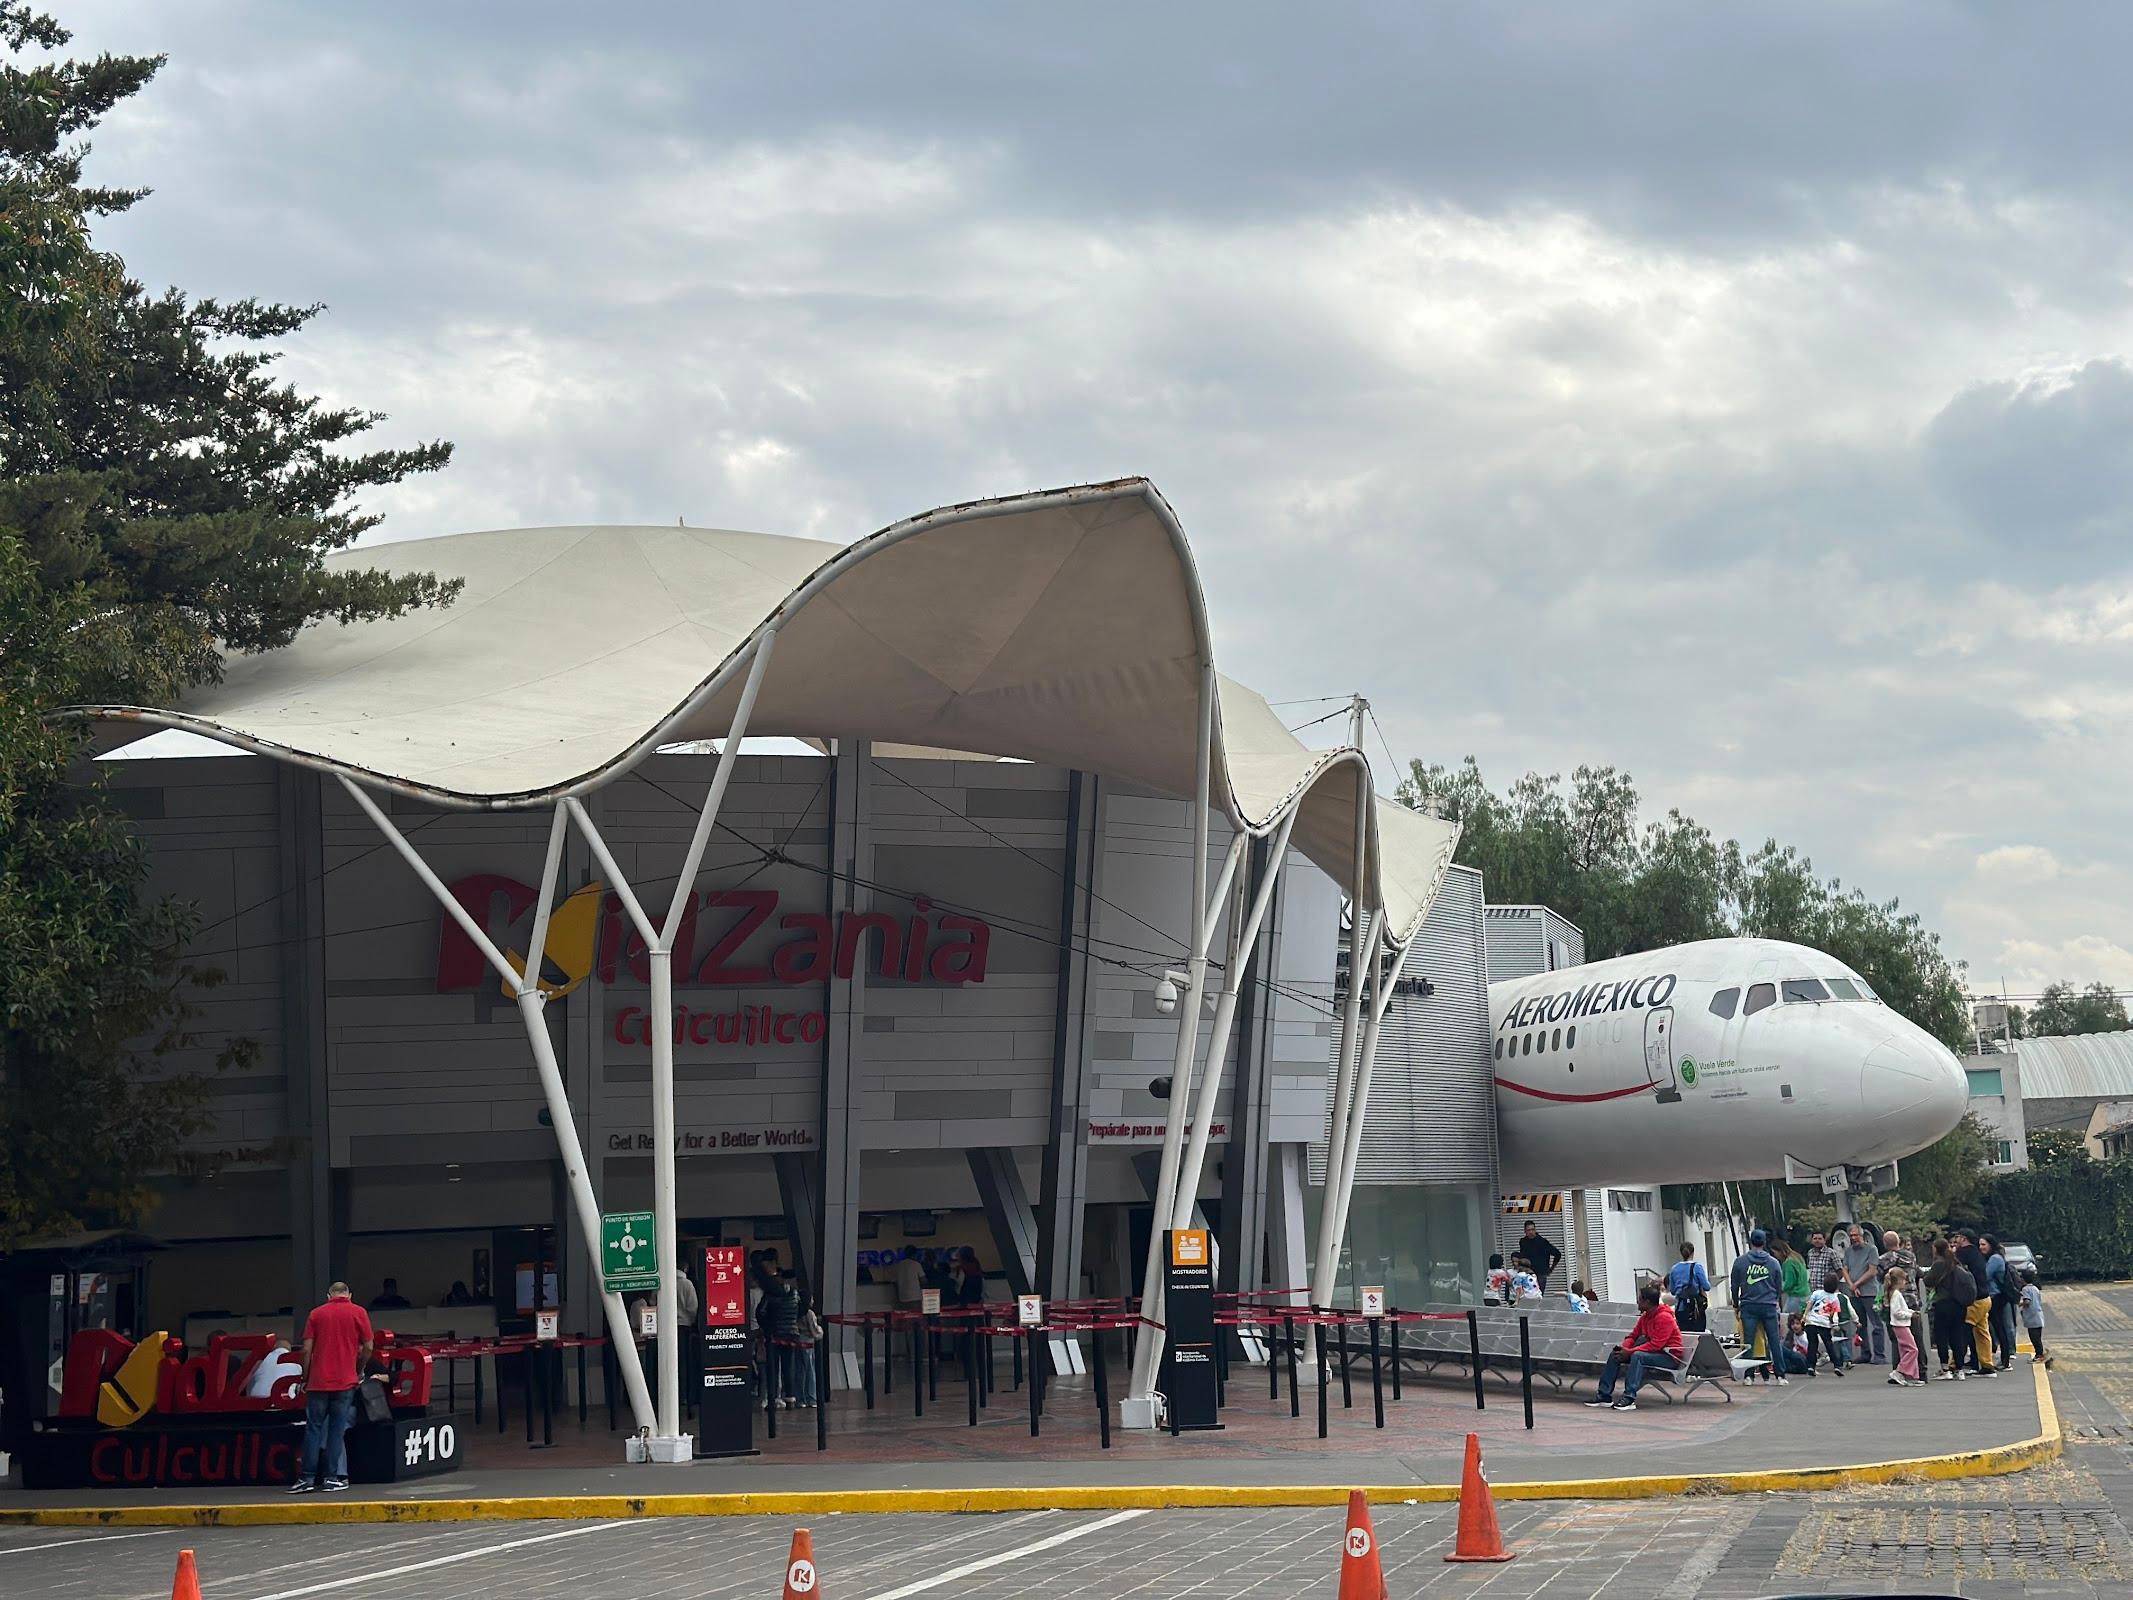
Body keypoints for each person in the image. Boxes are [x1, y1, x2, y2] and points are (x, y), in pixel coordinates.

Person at [291, 1282, 372, 1493]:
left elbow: (306, 1350)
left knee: (313, 1428)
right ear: (349, 1295)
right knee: (336, 1430)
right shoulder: (358, 1312)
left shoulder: (316, 1314)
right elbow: (369, 1346)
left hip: (318, 1382)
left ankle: (306, 1478)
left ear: (329, 1296)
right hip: (345, 1381)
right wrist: (359, 1370)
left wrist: (305, 1377)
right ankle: (331, 1477)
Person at [1582, 1284, 1684, 1412]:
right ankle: (1604, 1395)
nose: (1637, 1302)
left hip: (1669, 1357)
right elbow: (1633, 1336)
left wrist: (1629, 1352)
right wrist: (1624, 1349)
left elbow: (1656, 1344)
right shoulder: (1645, 1316)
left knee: (1638, 1356)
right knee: (1616, 1355)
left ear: (1647, 1302)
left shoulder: (1664, 1318)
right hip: (1654, 1353)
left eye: (1640, 1299)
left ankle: (1629, 1398)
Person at [1730, 1230, 1788, 1381]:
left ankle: (1749, 1375)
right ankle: (1780, 1375)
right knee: (1774, 1340)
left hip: (1748, 1305)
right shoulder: (1773, 1263)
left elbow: (1734, 1285)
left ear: (1750, 1242)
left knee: (1748, 1342)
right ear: (1764, 1243)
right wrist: (1774, 1300)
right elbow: (1779, 1286)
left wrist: (1736, 1304)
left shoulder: (1740, 1262)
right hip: (1768, 1305)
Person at [1924, 1238, 1972, 1380]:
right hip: (1959, 1305)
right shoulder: (1956, 1263)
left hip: (1943, 1304)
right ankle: (1960, 1369)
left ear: (1936, 1249)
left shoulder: (1938, 1264)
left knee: (1942, 1337)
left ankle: (1945, 1369)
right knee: (1957, 1336)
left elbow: (1928, 1281)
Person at [1954, 1231, 1997, 1376]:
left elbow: (1955, 1272)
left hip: (1974, 1300)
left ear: (1963, 1238)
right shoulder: (1977, 1254)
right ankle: (1987, 1365)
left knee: (1963, 1331)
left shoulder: (1962, 1253)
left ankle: (1954, 1364)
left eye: (1958, 1237)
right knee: (1982, 1332)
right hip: (1986, 1298)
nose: (1955, 1240)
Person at [1842, 1225, 1884, 1365]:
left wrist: (1857, 1284)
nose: (1854, 1238)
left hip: (1869, 1291)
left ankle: (1879, 1355)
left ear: (1862, 1236)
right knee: (1860, 1324)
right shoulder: (1848, 1251)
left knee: (1876, 1324)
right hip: (1854, 1293)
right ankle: (1865, 1353)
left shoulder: (1871, 1249)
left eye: (1856, 1235)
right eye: (1851, 1236)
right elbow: (1845, 1269)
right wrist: (1851, 1285)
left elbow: (1872, 1270)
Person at [1981, 1234, 2017, 1370]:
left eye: (1984, 1244)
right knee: (1997, 1326)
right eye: (1980, 1244)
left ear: (1991, 1244)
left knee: (1999, 1327)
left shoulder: (1995, 1259)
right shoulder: (1994, 1257)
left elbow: (1985, 1275)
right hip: (1997, 1295)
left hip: (1997, 1296)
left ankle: (2005, 1360)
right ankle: (2004, 1358)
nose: (1981, 1247)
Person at [1802, 1272, 1848, 1375]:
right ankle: (1836, 1365)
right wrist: (1834, 1324)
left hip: (1811, 1322)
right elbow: (1834, 1313)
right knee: (1829, 1344)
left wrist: (1805, 1315)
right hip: (1824, 1323)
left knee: (1812, 1345)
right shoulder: (1835, 1298)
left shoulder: (1817, 1293)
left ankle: (1811, 1366)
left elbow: (1810, 1304)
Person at [1884, 1267, 1922, 1386]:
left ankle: (1911, 1375)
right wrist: (1910, 1315)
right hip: (1901, 1325)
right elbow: (1897, 1312)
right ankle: (1900, 1371)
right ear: (1899, 1280)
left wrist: (1910, 1312)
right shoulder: (1896, 1294)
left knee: (1905, 1350)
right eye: (1904, 1280)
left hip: (1901, 1325)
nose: (1906, 1282)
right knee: (1913, 1349)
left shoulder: (1895, 1294)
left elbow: (1901, 1310)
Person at [244, 1334, 305, 1401]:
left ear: (274, 1347)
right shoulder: (296, 1363)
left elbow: (248, 1381)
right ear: (289, 1349)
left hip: (258, 1400)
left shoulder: (261, 1359)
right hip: (285, 1402)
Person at [1666, 1244, 1711, 1331]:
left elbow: (1672, 1291)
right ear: (1693, 1253)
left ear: (1681, 1253)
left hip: (1680, 1307)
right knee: (1698, 1334)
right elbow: (1707, 1287)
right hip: (1696, 1307)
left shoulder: (1674, 1269)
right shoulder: (1697, 1267)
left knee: (1685, 1334)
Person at [2017, 1269, 2052, 1368]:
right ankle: (2040, 1353)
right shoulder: (2035, 1288)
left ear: (2023, 1279)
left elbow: (2027, 1301)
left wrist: (2021, 1304)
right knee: (2037, 1337)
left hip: (2032, 1318)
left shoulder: (2025, 1290)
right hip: (2038, 1316)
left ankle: (2039, 1355)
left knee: (2034, 1338)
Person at [1519, 1221, 1563, 1294]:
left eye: (1532, 1230)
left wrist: (1551, 1268)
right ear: (1525, 1231)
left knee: (1538, 1295)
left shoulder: (1542, 1242)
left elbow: (1557, 1254)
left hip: (1540, 1273)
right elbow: (1522, 1256)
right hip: (1527, 1273)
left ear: (1535, 1230)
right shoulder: (1523, 1242)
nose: (1531, 1232)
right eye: (1528, 1230)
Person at [1803, 1230, 1840, 1301]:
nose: (1817, 1241)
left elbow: (1839, 1270)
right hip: (1814, 1292)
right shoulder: (1810, 1253)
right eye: (1815, 1238)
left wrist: (1833, 1284)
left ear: (1824, 1240)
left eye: (1820, 1239)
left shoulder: (1831, 1253)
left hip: (1827, 1292)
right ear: (1812, 1240)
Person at [1776, 1239, 1809, 1318]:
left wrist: (1778, 1290)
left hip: (1796, 1295)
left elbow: (1789, 1283)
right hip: (1805, 1293)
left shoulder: (1788, 1263)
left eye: (1775, 1253)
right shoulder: (1797, 1257)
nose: (1775, 1256)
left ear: (1780, 1251)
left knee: (1787, 1318)